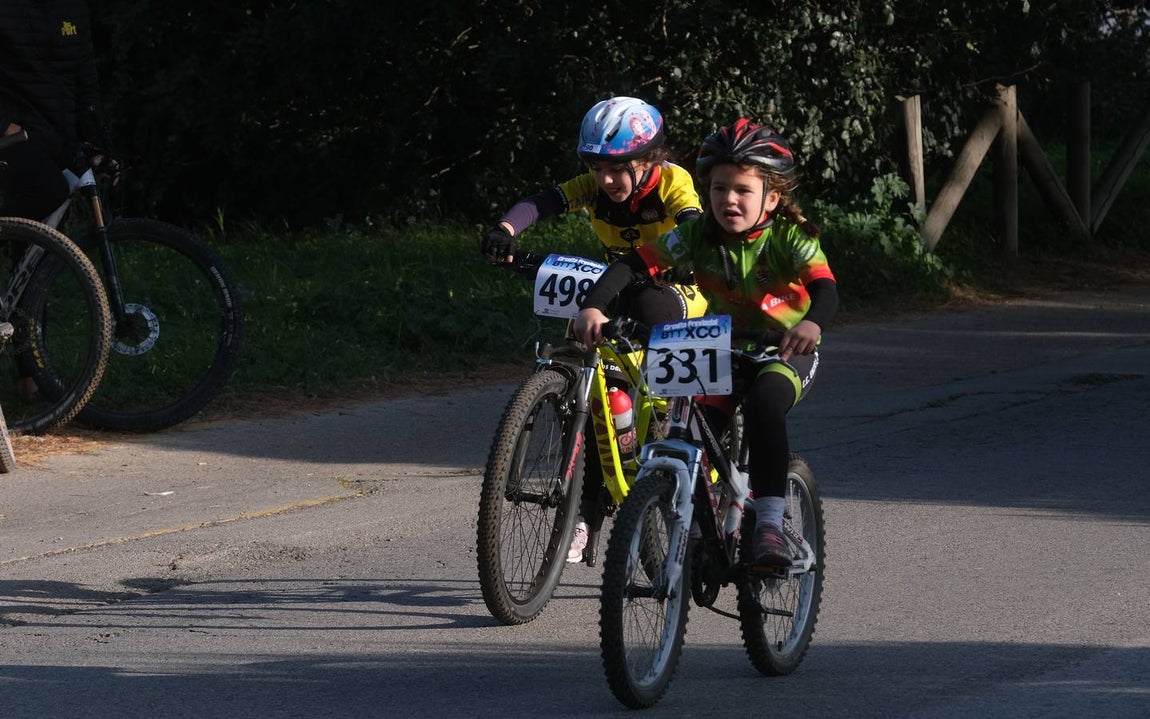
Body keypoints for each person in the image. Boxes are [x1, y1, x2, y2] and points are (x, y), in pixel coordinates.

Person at [573, 118, 839, 568]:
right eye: (718, 189)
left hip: (784, 351)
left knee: (762, 406)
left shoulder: (790, 237)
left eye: (742, 190)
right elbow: (633, 264)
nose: (728, 200)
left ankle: (770, 524)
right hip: (720, 349)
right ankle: (698, 527)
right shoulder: (698, 236)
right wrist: (594, 305)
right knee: (688, 432)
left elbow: (826, 290)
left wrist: (811, 324)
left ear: (771, 197)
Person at [482, 96, 708, 563]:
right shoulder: (596, 186)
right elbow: (544, 201)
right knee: (588, 379)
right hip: (617, 283)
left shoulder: (673, 181)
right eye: (596, 167)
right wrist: (505, 230)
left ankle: (668, 428)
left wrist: (681, 252)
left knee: (650, 305)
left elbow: (692, 224)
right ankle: (585, 510)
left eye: (617, 168)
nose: (605, 180)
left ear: (650, 160)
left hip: (678, 289)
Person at [0, 0, 106, 221]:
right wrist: (4, 126)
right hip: (14, 137)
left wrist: (97, 142)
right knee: (50, 191)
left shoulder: (74, 8)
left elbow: (86, 79)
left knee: (43, 246)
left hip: (57, 137)